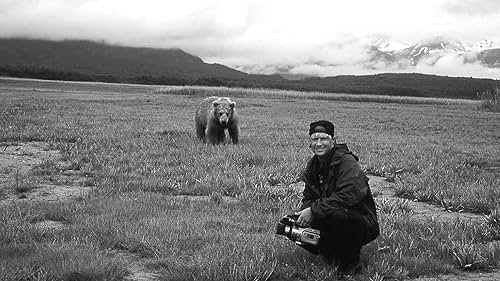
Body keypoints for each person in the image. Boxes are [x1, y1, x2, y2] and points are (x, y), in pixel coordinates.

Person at [295, 120, 380, 274]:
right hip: (329, 214)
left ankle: (351, 265)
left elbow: (348, 196)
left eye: (324, 139)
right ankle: (329, 254)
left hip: (359, 220)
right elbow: (308, 196)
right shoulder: (313, 165)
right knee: (290, 227)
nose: (319, 143)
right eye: (315, 139)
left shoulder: (346, 162)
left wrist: (313, 211)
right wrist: (305, 212)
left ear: (333, 141)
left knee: (337, 216)